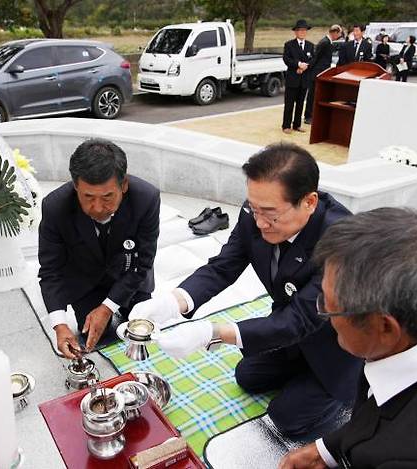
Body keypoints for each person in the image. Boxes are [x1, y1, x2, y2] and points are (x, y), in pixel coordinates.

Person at [130, 143, 362, 437]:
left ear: (310, 202)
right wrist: (173, 302)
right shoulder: (255, 212)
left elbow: (299, 320)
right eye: (254, 208)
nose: (260, 222)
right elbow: (223, 266)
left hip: (334, 347)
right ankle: (299, 374)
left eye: (270, 214)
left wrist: (212, 332)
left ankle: (349, 401)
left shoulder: (342, 241)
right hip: (289, 333)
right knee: (246, 375)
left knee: (286, 419)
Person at [278, 207, 417, 469]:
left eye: (329, 306)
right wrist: (325, 450)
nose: (323, 314)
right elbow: (376, 416)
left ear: (385, 327)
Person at [38, 138, 160, 358]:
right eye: (88, 197)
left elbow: (143, 262)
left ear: (124, 186)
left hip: (130, 277)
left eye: (107, 197)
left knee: (142, 332)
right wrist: (59, 324)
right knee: (97, 338)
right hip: (85, 282)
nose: (97, 208)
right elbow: (50, 271)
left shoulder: (147, 198)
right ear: (76, 187)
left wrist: (107, 307)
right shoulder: (55, 207)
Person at [281, 19, 315, 133]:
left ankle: (297, 125)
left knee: (300, 104)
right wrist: (298, 65)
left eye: (304, 30)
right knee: (289, 103)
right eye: (300, 30)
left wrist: (306, 66)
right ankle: (286, 125)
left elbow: (313, 60)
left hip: (304, 79)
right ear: (295, 32)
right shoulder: (289, 45)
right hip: (293, 78)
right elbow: (286, 59)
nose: (302, 32)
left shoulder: (310, 45)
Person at [304, 25, 342, 125]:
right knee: (312, 95)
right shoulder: (324, 42)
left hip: (322, 72)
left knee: (317, 95)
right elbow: (316, 57)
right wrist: (310, 70)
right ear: (335, 32)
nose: (339, 36)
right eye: (339, 33)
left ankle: (313, 115)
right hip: (317, 72)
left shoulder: (328, 42)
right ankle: (308, 116)